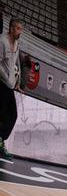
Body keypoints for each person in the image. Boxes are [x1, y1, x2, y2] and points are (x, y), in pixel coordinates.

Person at [0, 19, 25, 158]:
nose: (19, 32)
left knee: (12, 115)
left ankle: (0, 140)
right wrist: (7, 78)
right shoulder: (2, 41)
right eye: (17, 28)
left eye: (21, 29)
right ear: (10, 28)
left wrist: (17, 82)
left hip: (9, 85)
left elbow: (17, 64)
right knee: (3, 115)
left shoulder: (16, 43)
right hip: (1, 84)